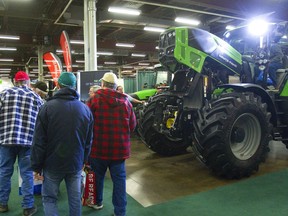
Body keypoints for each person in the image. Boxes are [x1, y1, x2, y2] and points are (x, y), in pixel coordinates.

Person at [30, 72, 94, 216]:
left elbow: (39, 140)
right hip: (75, 163)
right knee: (75, 199)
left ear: (58, 85)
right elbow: (88, 140)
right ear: (74, 86)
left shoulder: (47, 108)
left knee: (50, 199)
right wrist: (84, 159)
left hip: (52, 164)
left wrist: (36, 166)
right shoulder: (85, 109)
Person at [86, 72, 136, 216]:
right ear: (115, 86)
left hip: (98, 148)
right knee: (119, 181)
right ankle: (120, 212)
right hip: (119, 149)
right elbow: (132, 126)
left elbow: (87, 125)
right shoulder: (126, 102)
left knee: (98, 177)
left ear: (102, 84)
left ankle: (97, 202)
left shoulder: (94, 101)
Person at [0, 71, 43, 215]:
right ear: (28, 81)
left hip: (6, 141)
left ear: (14, 81)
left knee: (4, 172)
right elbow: (42, 121)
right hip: (28, 142)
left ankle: (2, 203)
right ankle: (28, 207)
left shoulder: (4, 94)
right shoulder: (35, 97)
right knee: (26, 174)